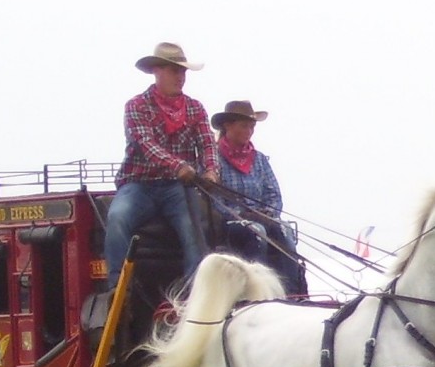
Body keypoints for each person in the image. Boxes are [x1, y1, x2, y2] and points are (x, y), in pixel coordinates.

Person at [104, 42, 220, 290]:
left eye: (183, 72)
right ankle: (118, 289)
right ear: (157, 71)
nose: (180, 77)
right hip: (139, 185)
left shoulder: (195, 108)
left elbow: (207, 143)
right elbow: (146, 144)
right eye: (174, 71)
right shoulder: (137, 106)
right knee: (117, 219)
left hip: (178, 187)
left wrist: (211, 170)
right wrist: (178, 165)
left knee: (194, 234)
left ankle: (192, 292)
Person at [211, 99, 302, 292]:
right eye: (245, 126)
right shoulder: (214, 158)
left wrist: (268, 213)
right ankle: (255, 291)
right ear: (228, 125)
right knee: (256, 231)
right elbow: (215, 200)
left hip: (261, 218)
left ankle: (293, 291)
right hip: (230, 224)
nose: (250, 131)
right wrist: (240, 215)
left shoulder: (259, 159)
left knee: (284, 229)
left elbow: (273, 194)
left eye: (252, 126)